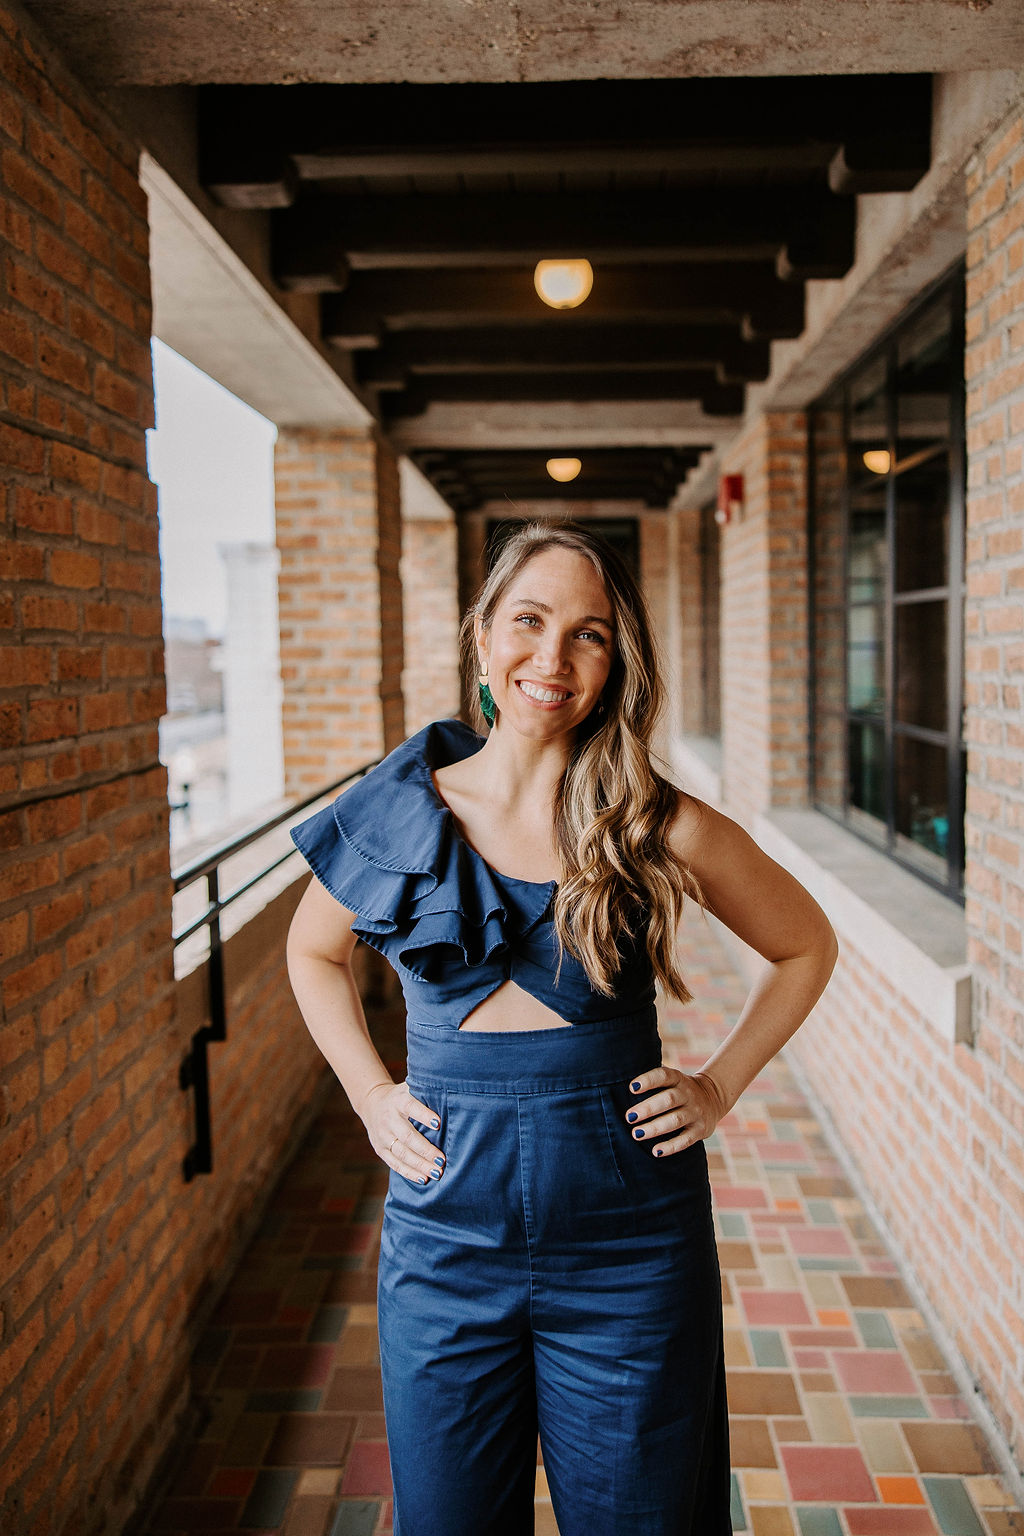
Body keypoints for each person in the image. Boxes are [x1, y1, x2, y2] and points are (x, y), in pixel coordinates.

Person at [286, 520, 838, 1536]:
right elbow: (311, 952)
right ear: (482, 635)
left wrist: (718, 1084)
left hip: (629, 1240)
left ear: (616, 658)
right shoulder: (400, 809)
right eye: (530, 621)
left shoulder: (654, 821)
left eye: (588, 633)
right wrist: (369, 1092)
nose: (553, 657)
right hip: (446, 1235)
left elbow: (804, 945)